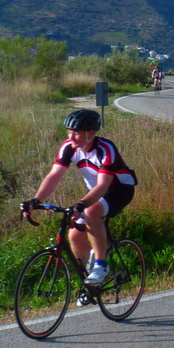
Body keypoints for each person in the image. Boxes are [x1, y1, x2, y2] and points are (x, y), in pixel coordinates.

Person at [22, 109, 137, 286]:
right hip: (96, 193)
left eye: (76, 133)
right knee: (75, 236)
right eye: (69, 132)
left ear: (90, 133)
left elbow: (103, 185)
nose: (71, 137)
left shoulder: (106, 149)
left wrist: (81, 204)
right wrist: (36, 200)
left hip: (119, 189)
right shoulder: (69, 147)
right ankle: (89, 283)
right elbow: (54, 176)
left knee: (92, 212)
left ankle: (100, 266)